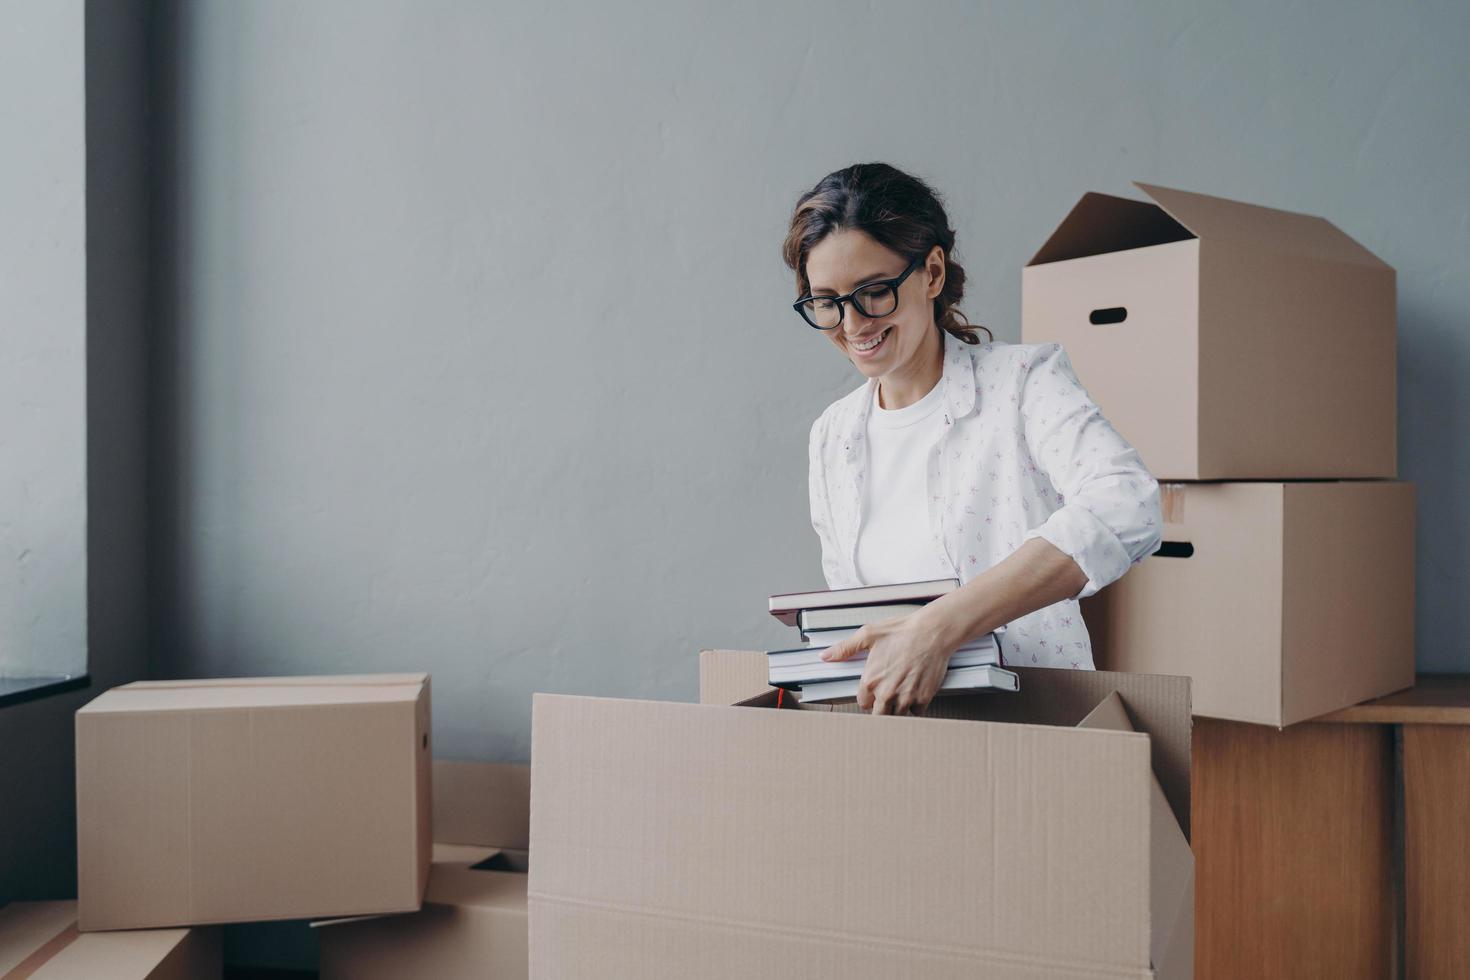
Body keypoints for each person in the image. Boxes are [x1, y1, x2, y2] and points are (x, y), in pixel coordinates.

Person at [782, 162, 1162, 716]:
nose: (853, 323)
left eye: (874, 291)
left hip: (1034, 723)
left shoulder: (1024, 381)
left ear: (931, 273)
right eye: (826, 301)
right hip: (904, 736)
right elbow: (855, 615)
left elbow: (1127, 502)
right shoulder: (832, 436)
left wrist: (941, 626)